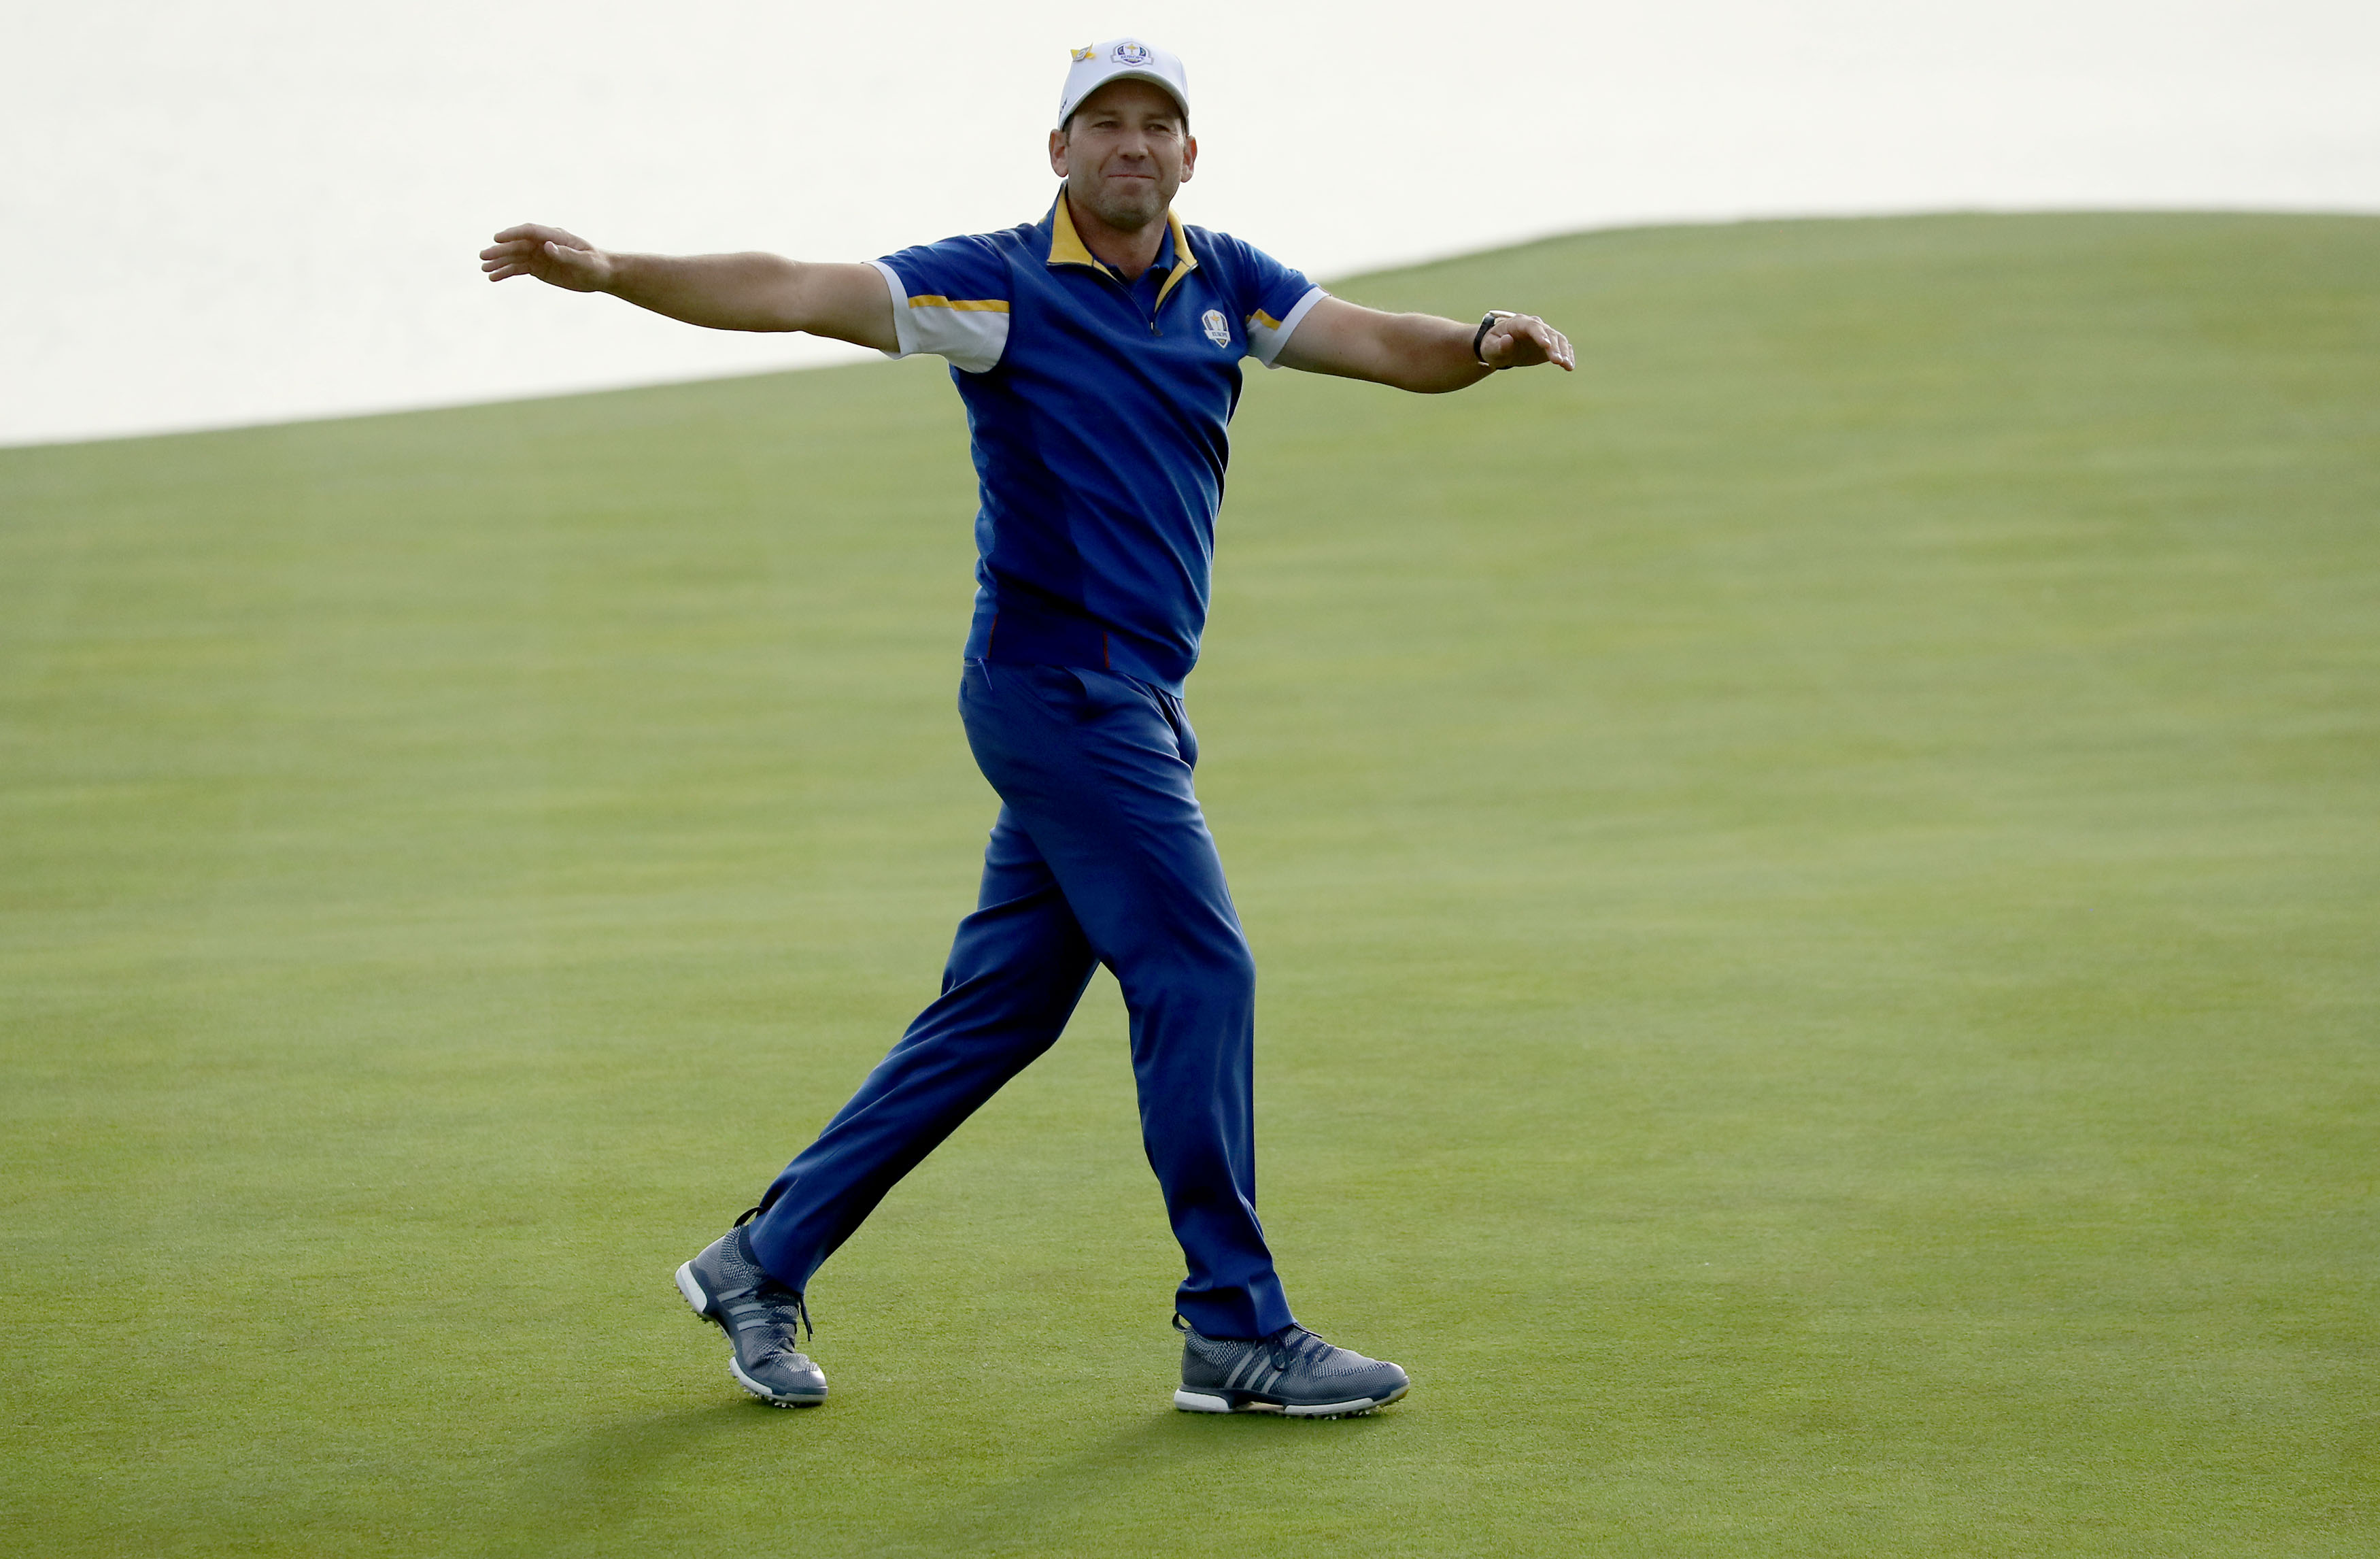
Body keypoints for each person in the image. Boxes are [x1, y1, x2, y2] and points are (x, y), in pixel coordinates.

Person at [479, 37, 1573, 1420]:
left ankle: (761, 1257)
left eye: (1155, 125)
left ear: (1190, 153)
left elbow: (1380, 344)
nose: (1131, 144)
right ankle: (1233, 1326)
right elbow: (798, 289)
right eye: (1102, 125)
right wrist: (617, 270)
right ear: (1056, 151)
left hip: (1127, 701)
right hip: (1058, 691)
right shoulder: (993, 283)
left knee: (998, 1014)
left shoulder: (1221, 282)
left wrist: (1481, 346)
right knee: (1200, 970)